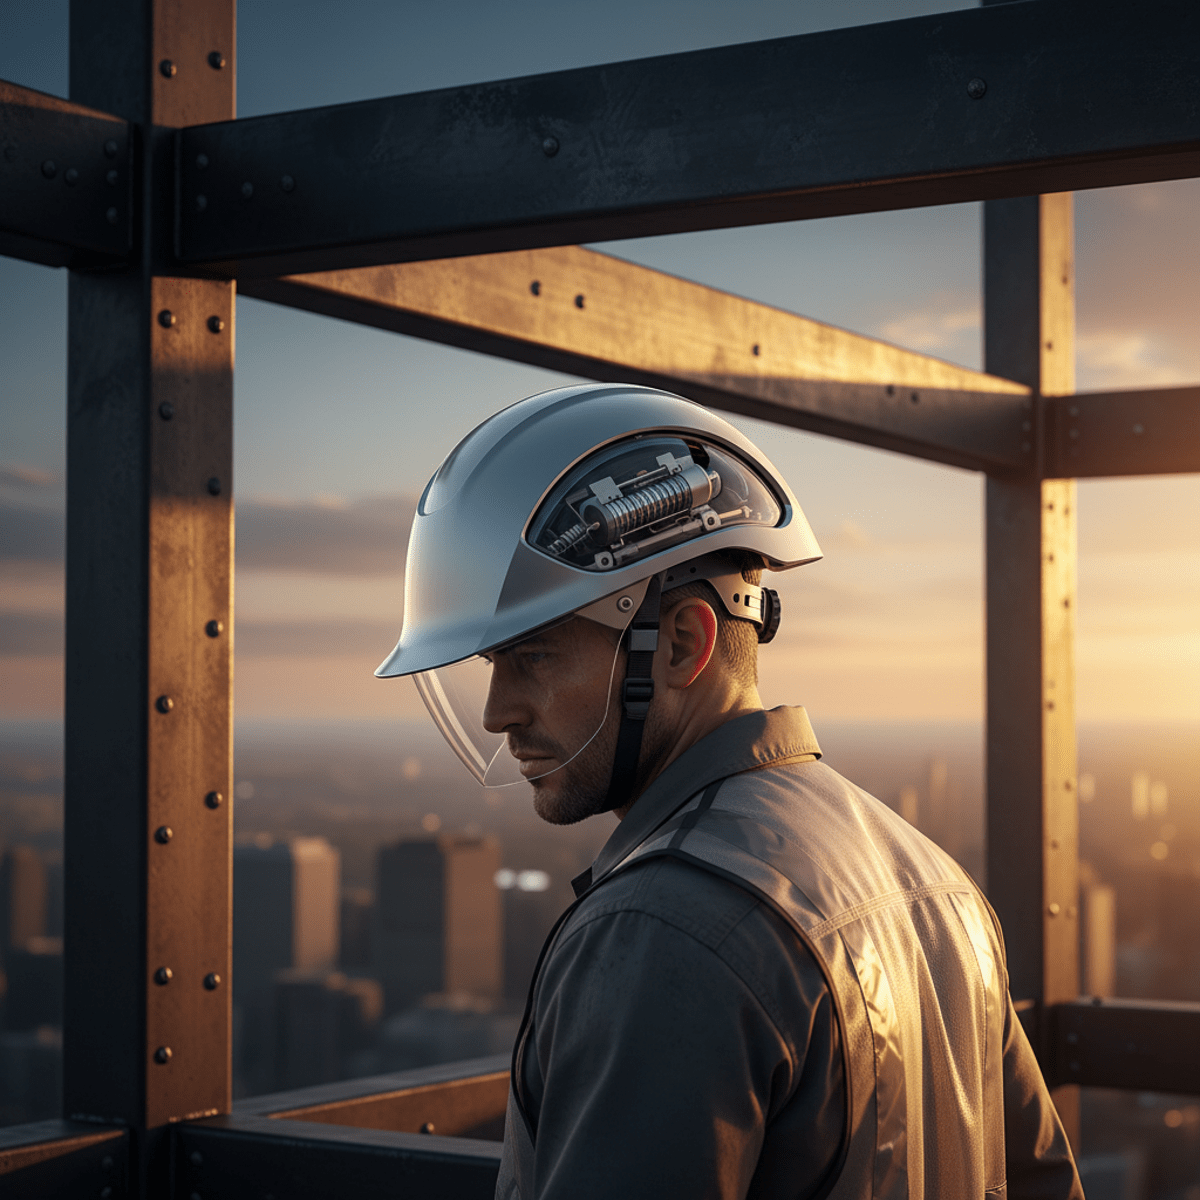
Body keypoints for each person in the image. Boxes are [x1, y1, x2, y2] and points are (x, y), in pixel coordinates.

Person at [376, 383, 1084, 1200]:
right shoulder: (936, 883)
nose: (499, 710)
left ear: (681, 643)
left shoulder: (658, 931)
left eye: (531, 656)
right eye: (490, 666)